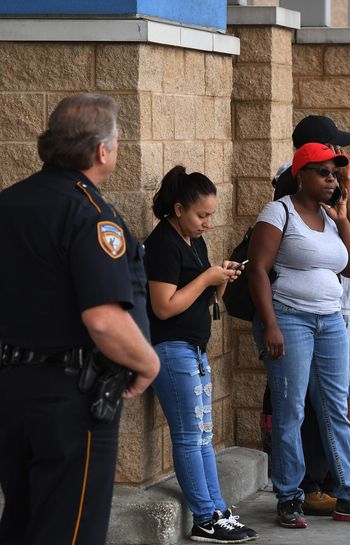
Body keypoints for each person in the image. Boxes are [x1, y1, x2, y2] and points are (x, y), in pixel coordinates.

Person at [0, 93, 160, 545]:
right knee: (70, 530)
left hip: (11, 389)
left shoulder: (8, 204)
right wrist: (148, 364)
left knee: (22, 521)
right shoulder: (88, 215)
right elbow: (105, 320)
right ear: (101, 151)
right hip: (70, 399)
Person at [249, 143, 350, 527]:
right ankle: (290, 495)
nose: (332, 180)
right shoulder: (279, 213)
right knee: (291, 409)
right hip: (290, 319)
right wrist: (272, 325)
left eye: (336, 174)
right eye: (324, 173)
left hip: (331, 321)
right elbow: (257, 270)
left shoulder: (331, 218)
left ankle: (347, 491)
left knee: (335, 408)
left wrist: (343, 219)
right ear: (301, 175)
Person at [144, 166, 257, 542]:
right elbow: (163, 306)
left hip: (194, 349)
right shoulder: (163, 243)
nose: (208, 223)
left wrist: (219, 279)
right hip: (172, 350)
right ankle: (205, 518)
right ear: (178, 209)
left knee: (204, 435)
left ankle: (217, 509)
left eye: (211, 215)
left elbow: (203, 299)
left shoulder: (194, 241)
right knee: (191, 437)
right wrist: (206, 278)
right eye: (201, 215)